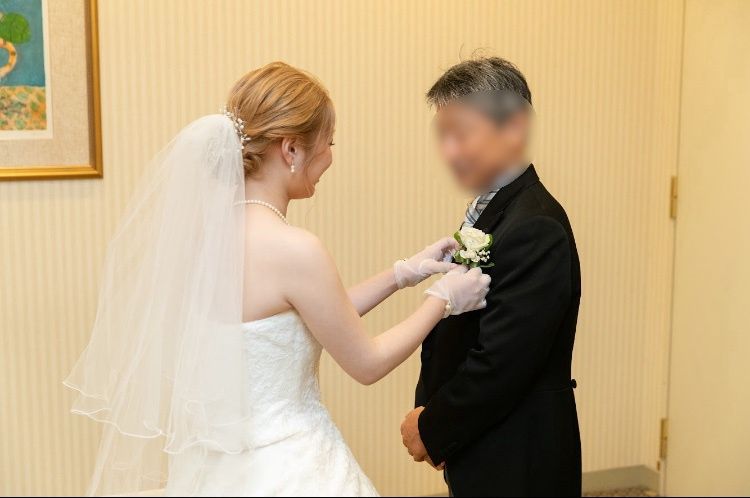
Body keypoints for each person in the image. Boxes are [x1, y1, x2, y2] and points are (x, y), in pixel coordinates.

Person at [64, 62, 490, 496]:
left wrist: (403, 274)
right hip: (290, 465)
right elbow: (367, 362)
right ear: (291, 149)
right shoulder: (295, 248)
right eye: (328, 142)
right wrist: (442, 300)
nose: (330, 157)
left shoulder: (205, 239)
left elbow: (303, 319)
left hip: (218, 470)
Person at [400, 57, 582, 497]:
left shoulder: (536, 227)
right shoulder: (496, 212)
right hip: (485, 441)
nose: (450, 152)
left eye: (462, 134)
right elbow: (461, 330)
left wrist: (431, 426)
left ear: (514, 128)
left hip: (519, 454)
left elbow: (502, 363)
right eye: (444, 136)